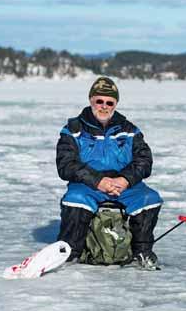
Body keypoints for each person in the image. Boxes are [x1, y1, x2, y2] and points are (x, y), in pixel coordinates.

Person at [56, 76, 163, 269]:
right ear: (91, 100)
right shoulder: (73, 130)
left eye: (109, 102)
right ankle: (70, 252)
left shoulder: (130, 130)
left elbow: (144, 160)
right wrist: (98, 181)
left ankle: (142, 251)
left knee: (149, 198)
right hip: (88, 185)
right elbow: (66, 165)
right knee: (75, 199)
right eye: (99, 101)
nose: (104, 106)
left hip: (124, 185)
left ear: (115, 104)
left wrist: (125, 179)